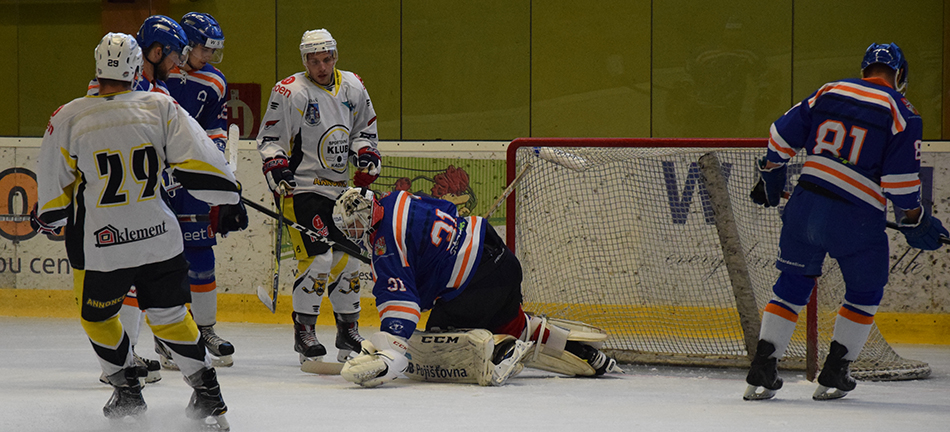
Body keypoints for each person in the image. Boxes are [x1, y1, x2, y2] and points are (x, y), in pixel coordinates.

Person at [31, 32, 246, 429]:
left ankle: (128, 394)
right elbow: (204, 162)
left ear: (97, 67)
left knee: (97, 318)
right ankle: (209, 398)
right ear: (135, 68)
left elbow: (54, 196)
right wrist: (230, 195)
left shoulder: (68, 117)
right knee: (168, 315)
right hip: (159, 238)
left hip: (105, 244)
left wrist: (48, 217)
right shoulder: (160, 105)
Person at [744, 43, 948, 401]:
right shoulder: (903, 111)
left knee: (791, 285)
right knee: (865, 292)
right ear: (900, 75)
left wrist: (771, 174)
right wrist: (916, 222)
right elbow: (900, 184)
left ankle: (762, 369)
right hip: (855, 218)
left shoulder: (831, 89)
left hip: (804, 206)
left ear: (865, 68)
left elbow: (778, 138)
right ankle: (835, 373)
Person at [330, 188, 623, 388]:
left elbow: (401, 305)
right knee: (513, 322)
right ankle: (586, 354)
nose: (352, 233)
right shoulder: (401, 198)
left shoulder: (384, 247)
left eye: (352, 227)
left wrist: (390, 353)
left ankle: (501, 350)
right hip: (503, 262)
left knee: (434, 345)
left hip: (474, 288)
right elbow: (446, 208)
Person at [256, 28, 381, 365]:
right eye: (314, 61)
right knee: (319, 259)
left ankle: (347, 330)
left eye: (326, 59)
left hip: (341, 193)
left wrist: (366, 153)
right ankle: (305, 331)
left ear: (335, 57)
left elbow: (364, 131)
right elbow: (270, 138)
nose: (321, 67)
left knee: (350, 261)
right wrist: (276, 166)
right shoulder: (290, 91)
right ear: (305, 61)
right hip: (302, 188)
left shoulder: (353, 85)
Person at [85, 15, 193, 384]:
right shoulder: (146, 96)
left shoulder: (140, 92)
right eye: (175, 54)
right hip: (109, 208)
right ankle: (118, 365)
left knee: (130, 283)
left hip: (123, 200)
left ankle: (125, 357)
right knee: (117, 290)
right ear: (156, 51)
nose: (178, 64)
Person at [163, 11, 235, 367]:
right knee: (162, 259)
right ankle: (168, 337)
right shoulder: (158, 76)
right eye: (204, 49)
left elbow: (215, 130)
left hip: (191, 183)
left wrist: (216, 167)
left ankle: (205, 328)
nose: (208, 57)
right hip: (156, 183)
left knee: (201, 254)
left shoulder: (214, 81)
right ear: (187, 44)